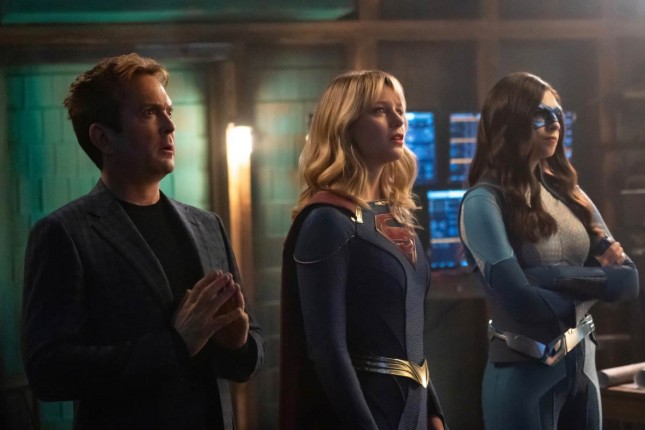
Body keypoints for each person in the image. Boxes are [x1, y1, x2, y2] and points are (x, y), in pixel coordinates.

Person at [21, 53, 264, 430]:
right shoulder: (64, 233)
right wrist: (175, 344)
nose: (170, 125)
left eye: (168, 111)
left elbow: (250, 351)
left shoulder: (207, 225)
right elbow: (48, 371)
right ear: (103, 137)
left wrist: (239, 344)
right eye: (149, 113)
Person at [459, 71, 639, 430]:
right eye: (540, 115)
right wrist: (596, 284)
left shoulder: (571, 194)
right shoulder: (483, 202)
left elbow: (629, 281)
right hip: (523, 374)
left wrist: (547, 277)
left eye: (557, 114)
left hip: (583, 368)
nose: (554, 124)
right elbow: (522, 302)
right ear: (510, 121)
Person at [280, 70, 447, 430]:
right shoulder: (327, 221)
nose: (398, 120)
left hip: (413, 412)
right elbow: (327, 352)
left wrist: (434, 413)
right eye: (380, 110)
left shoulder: (395, 219)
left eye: (400, 109)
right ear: (345, 124)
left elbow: (410, 336)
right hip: (364, 414)